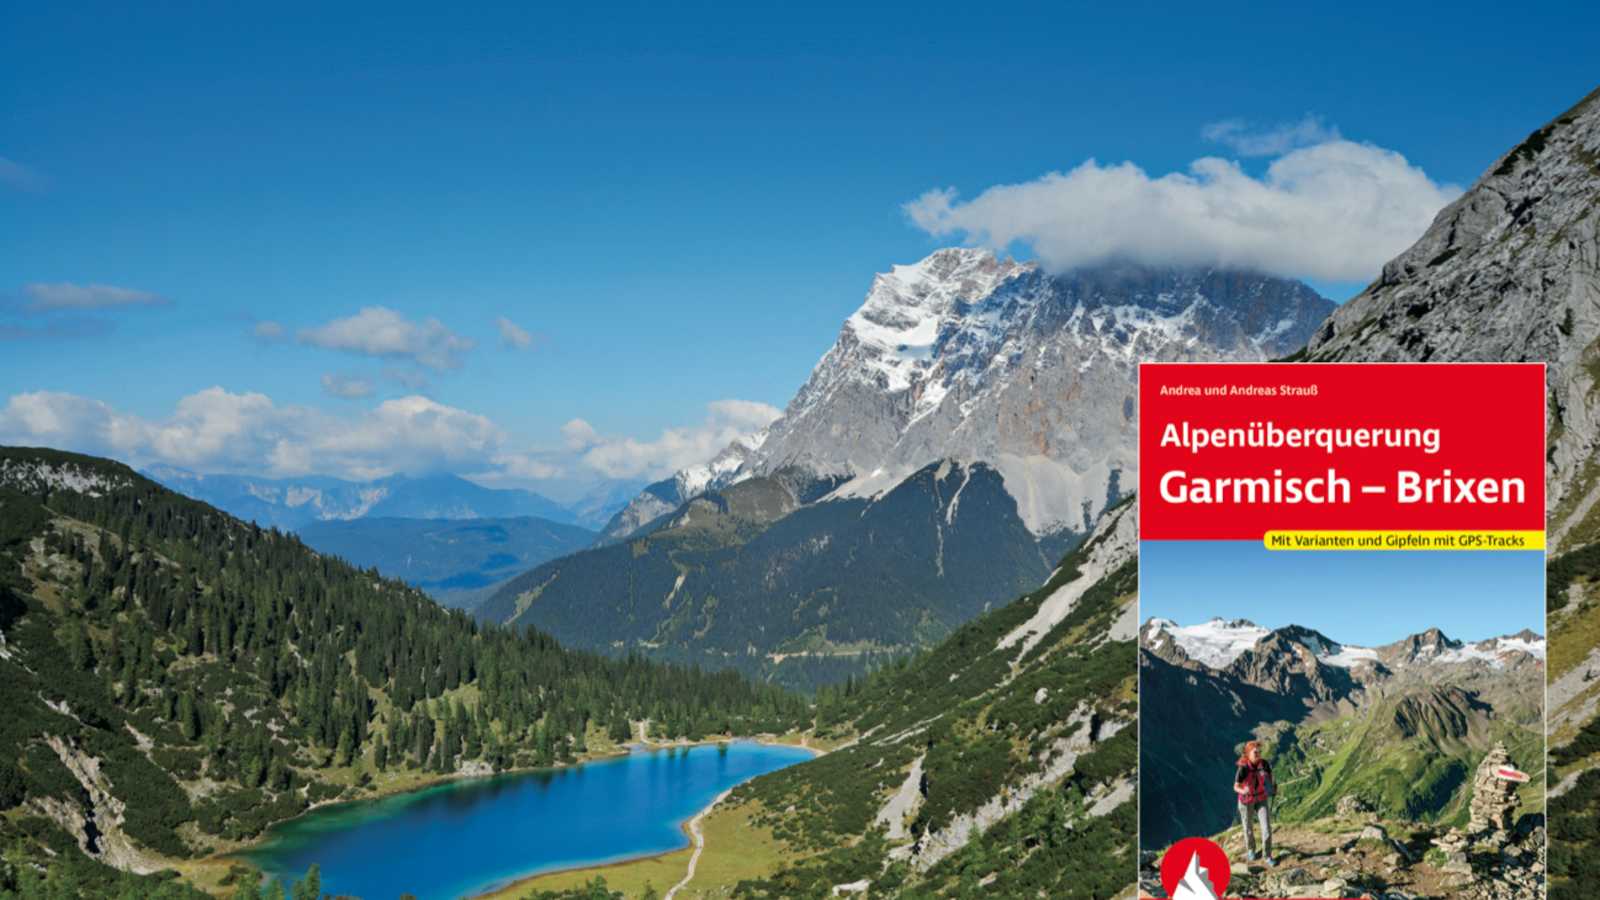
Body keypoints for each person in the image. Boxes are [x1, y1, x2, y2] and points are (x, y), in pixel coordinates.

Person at [1234, 740, 1275, 865]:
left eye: (1259, 752)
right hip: (1246, 800)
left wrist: (1273, 787)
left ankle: (1267, 856)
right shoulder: (1243, 768)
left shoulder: (1264, 764)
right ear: (1248, 754)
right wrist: (1243, 790)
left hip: (1261, 798)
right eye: (1255, 752)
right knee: (1248, 828)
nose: (1258, 754)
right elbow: (1235, 786)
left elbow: (1269, 777)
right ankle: (1251, 850)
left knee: (1266, 827)